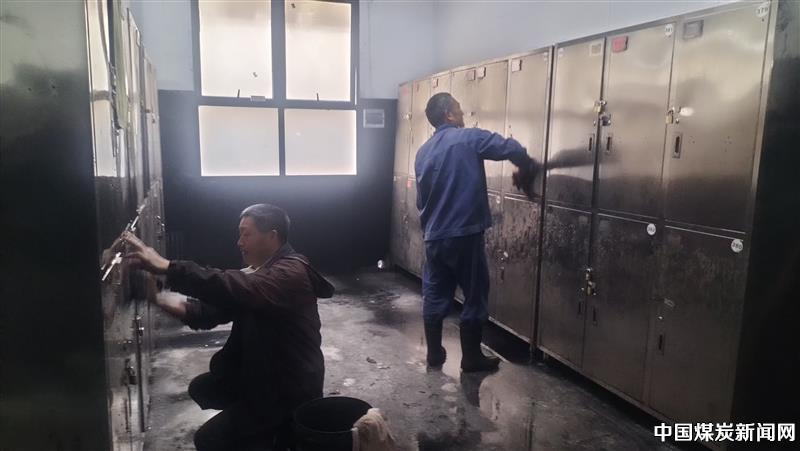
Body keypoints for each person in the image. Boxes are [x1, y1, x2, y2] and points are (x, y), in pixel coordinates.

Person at [122, 203, 333, 451]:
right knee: (205, 388)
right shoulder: (262, 274)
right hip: (264, 376)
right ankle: (262, 432)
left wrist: (168, 267)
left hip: (288, 389)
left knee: (210, 439)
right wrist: (158, 299)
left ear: (272, 236)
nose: (239, 242)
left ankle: (276, 433)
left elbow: (234, 286)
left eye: (246, 234)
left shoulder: (289, 273)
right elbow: (209, 313)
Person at [415, 92, 540, 372]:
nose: (463, 115)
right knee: (474, 293)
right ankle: (471, 357)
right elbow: (505, 146)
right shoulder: (467, 138)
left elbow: (421, 201)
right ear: (448, 114)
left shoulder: (422, 152)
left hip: (434, 236)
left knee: (434, 291)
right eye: (459, 109)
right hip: (464, 234)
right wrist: (526, 162)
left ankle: (434, 352)